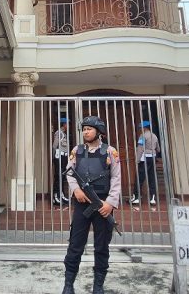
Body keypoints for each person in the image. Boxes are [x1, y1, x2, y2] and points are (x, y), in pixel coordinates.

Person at [62, 116, 121, 294]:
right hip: (82, 204)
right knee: (75, 244)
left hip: (103, 204)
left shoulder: (110, 151)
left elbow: (116, 178)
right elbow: (70, 173)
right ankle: (68, 284)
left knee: (101, 246)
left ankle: (98, 285)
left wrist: (110, 203)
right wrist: (76, 190)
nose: (86, 132)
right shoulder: (77, 150)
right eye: (84, 129)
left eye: (89, 129)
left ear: (99, 131)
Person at [130, 121, 160, 206]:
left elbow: (140, 149)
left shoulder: (142, 136)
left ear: (144, 128)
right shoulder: (154, 136)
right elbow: (158, 149)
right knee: (152, 178)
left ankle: (136, 198)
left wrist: (137, 160)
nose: (141, 129)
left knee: (139, 179)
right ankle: (153, 199)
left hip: (144, 159)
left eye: (141, 128)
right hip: (153, 158)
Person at [52, 117, 70, 205]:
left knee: (62, 176)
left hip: (64, 156)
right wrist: (53, 157)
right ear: (64, 124)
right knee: (58, 176)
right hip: (59, 156)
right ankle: (56, 196)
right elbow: (54, 146)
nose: (68, 126)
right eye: (67, 124)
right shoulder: (58, 133)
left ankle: (61, 194)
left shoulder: (64, 133)